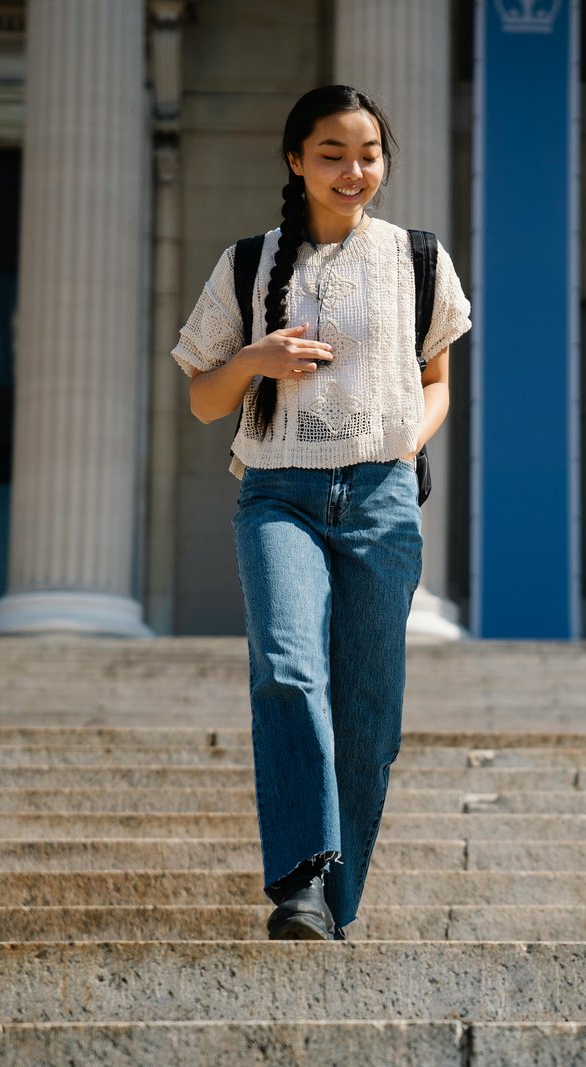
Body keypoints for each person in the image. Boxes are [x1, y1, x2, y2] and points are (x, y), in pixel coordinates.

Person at [171, 85, 470, 940]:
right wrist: (257, 359)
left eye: (368, 154)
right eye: (332, 154)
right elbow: (201, 398)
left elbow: (439, 383)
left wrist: (404, 444)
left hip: (379, 498)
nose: (353, 170)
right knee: (290, 669)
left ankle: (336, 907)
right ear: (296, 160)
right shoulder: (246, 264)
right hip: (278, 493)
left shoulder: (418, 258)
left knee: (370, 719)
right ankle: (301, 879)